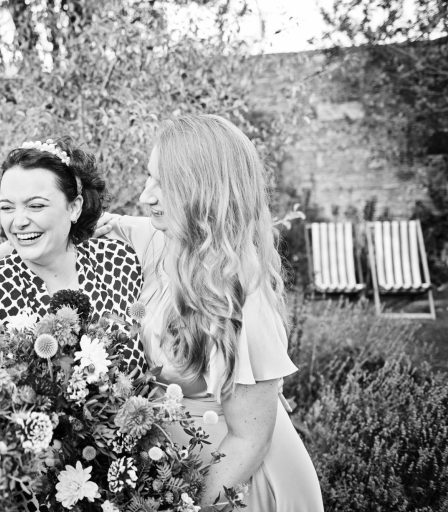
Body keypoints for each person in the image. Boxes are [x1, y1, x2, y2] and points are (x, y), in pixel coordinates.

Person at [97, 115, 323, 511]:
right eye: (149, 177)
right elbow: (68, 227)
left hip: (237, 484)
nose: (145, 196)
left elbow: (249, 439)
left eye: (163, 184)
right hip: (183, 473)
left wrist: (186, 506)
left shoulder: (242, 296)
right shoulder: (163, 238)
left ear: (203, 191)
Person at [0, 137, 147, 372]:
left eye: (36, 206)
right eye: (6, 207)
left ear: (74, 207)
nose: (18, 222)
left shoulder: (119, 261)